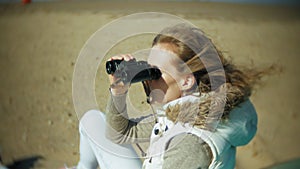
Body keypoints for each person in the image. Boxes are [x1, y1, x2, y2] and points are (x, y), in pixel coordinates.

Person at [64, 24, 271, 169]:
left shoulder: (188, 142)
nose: (148, 80)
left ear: (187, 81)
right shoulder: (188, 110)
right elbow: (119, 134)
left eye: (156, 73)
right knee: (92, 120)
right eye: (147, 69)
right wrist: (118, 91)